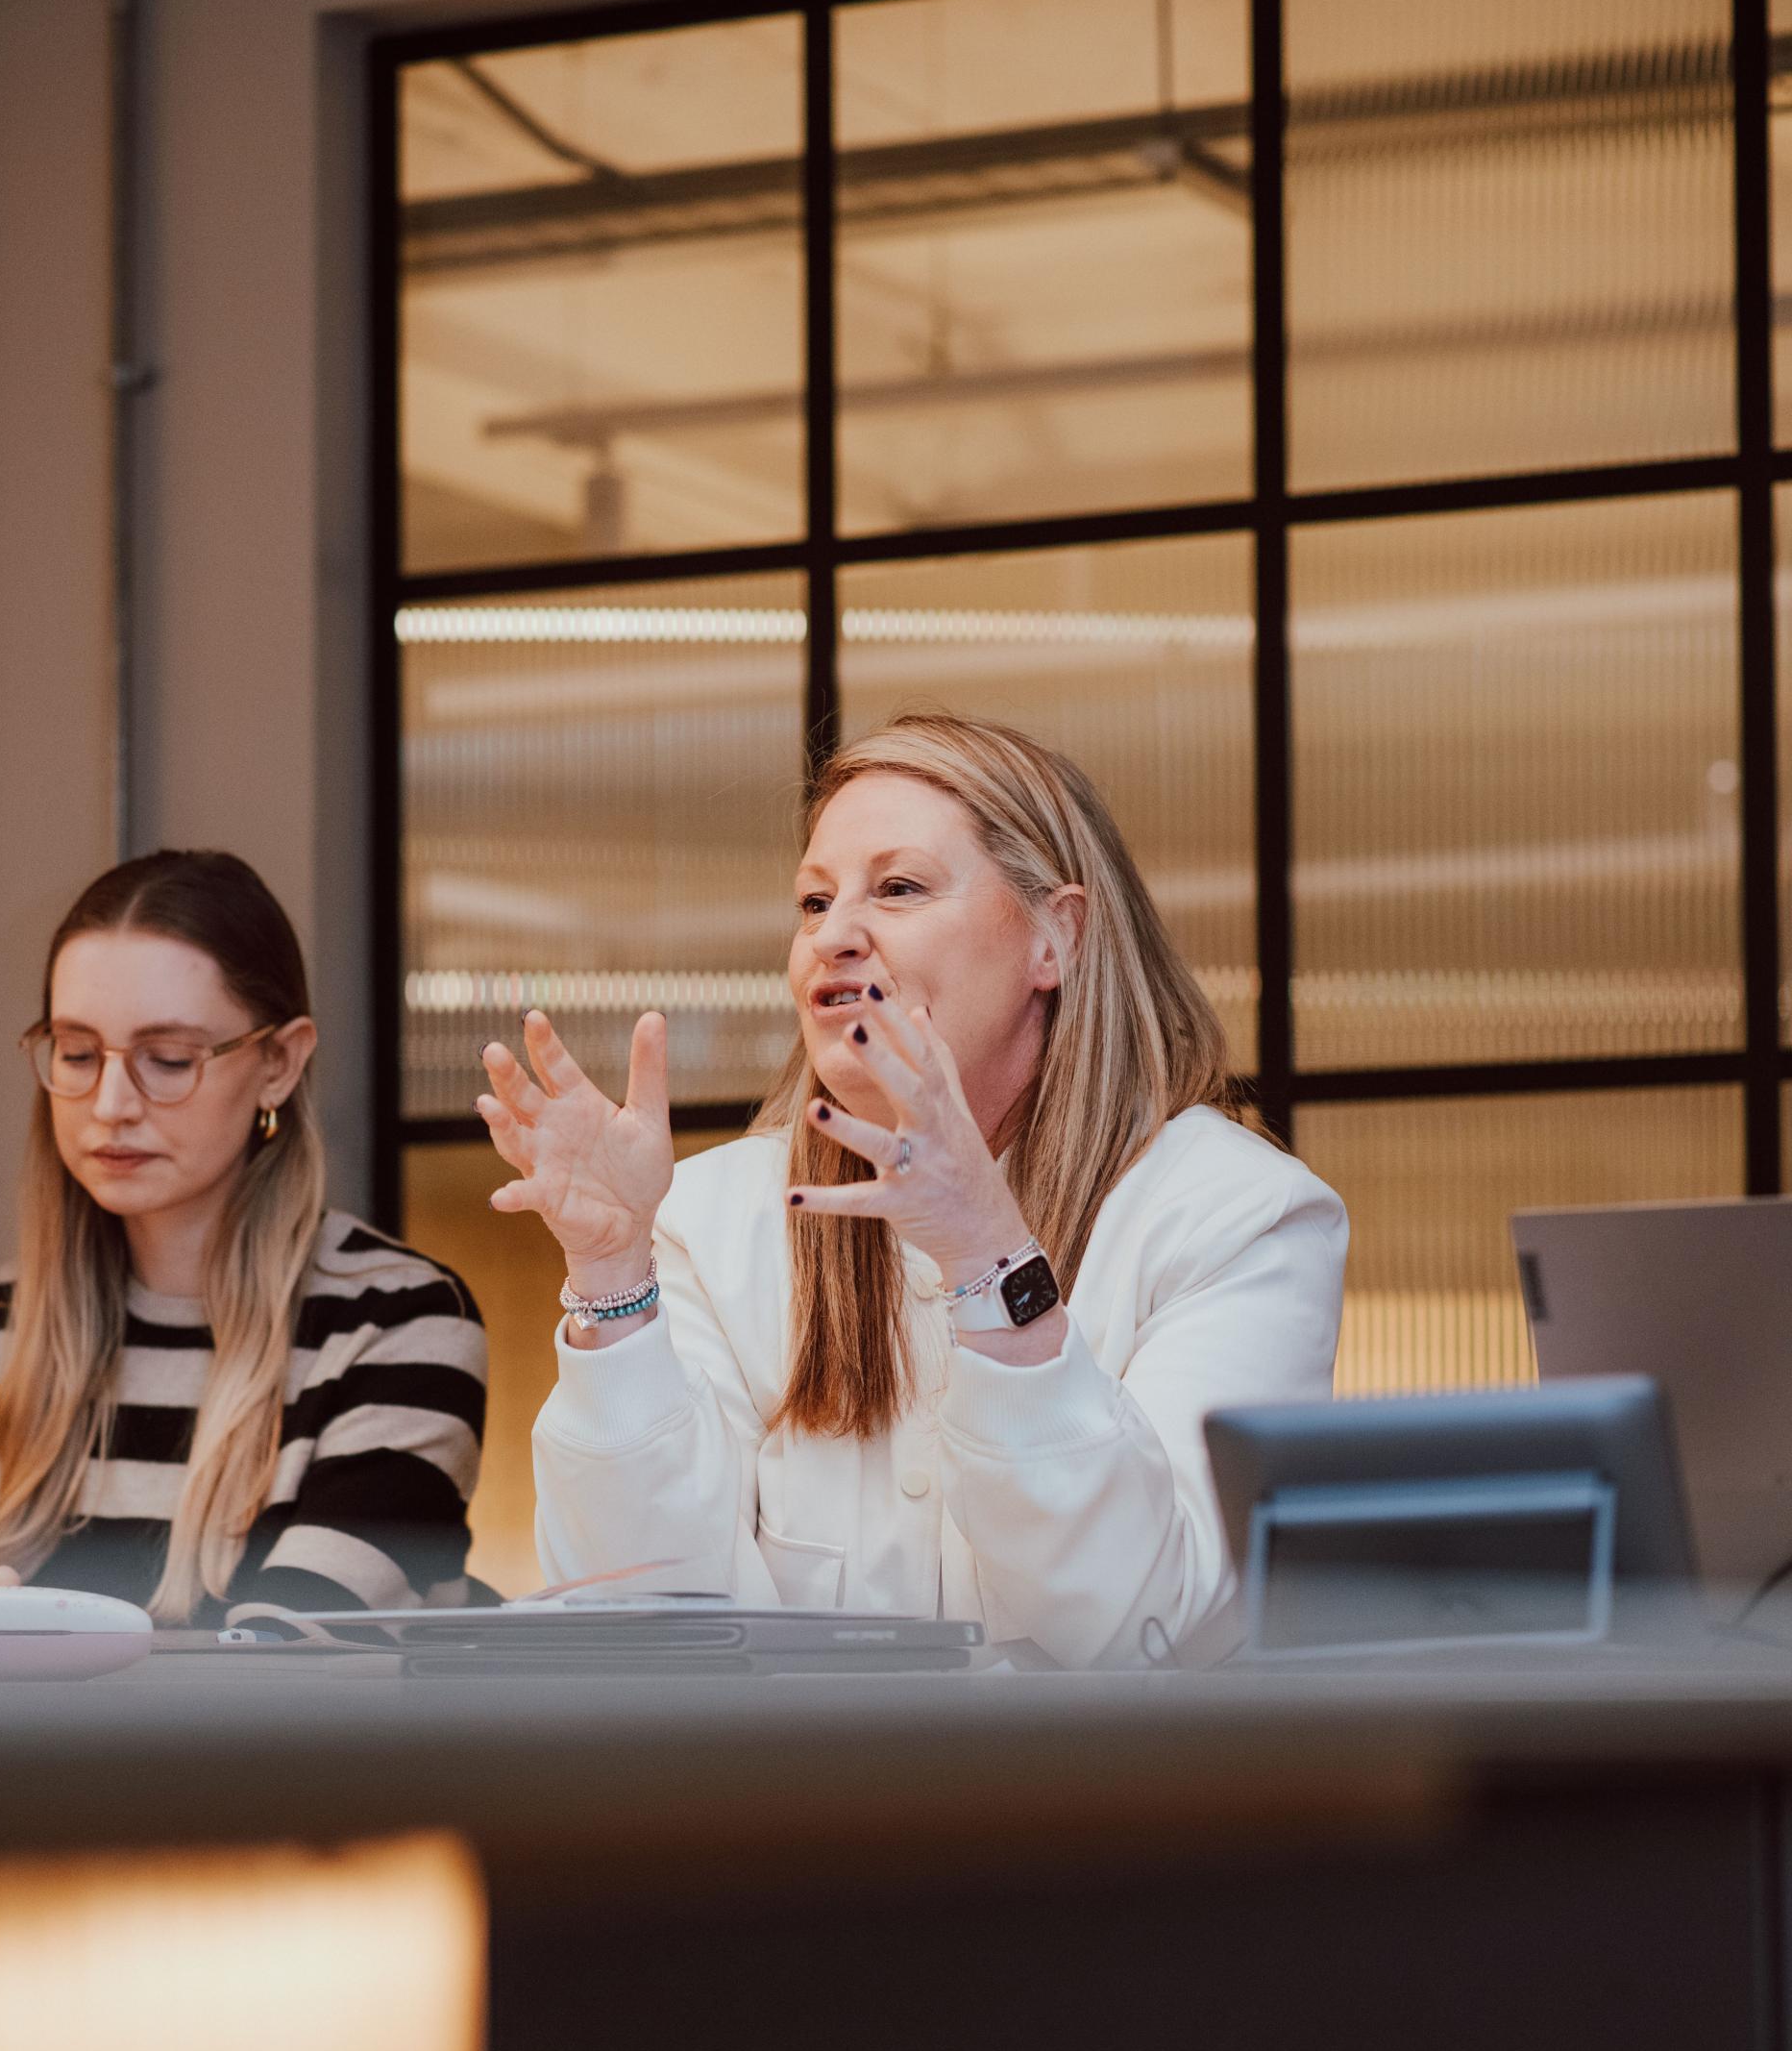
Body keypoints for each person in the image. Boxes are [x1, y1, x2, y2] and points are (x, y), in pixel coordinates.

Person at [479, 711, 1345, 1667]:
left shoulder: (1242, 1215)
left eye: (897, 887)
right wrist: (611, 1278)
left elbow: (1149, 1623)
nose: (835, 936)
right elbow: (646, 1627)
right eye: (813, 903)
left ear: (1055, 938)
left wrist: (989, 1259)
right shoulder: (704, 1218)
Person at [0, 851, 487, 1624]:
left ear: (279, 1062)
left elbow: (277, 1678)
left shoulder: (402, 1326)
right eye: (76, 1053)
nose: (110, 1104)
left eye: (168, 1060)